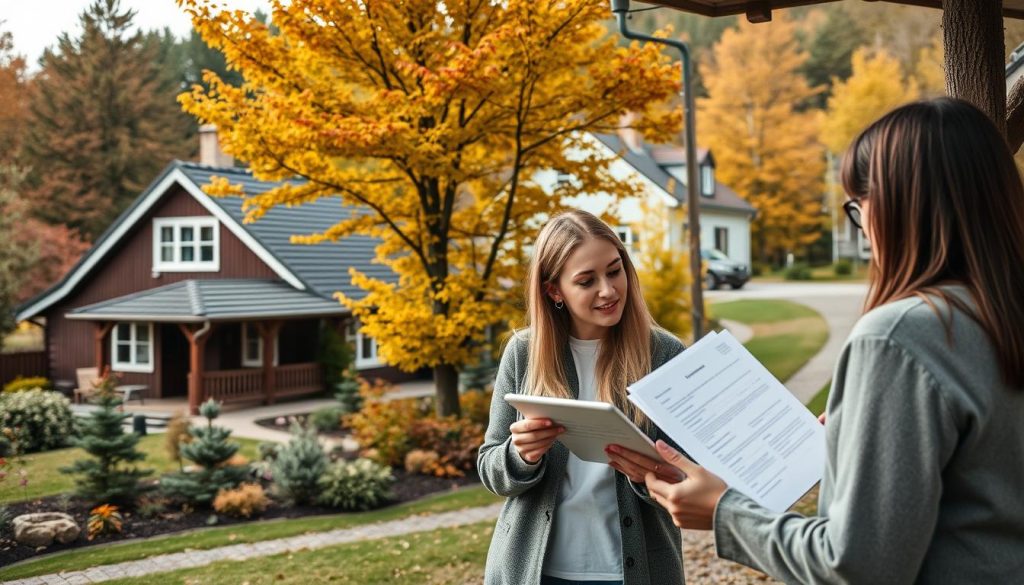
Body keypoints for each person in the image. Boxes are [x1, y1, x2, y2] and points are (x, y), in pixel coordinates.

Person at [641, 98, 1024, 583]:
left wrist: (723, 510)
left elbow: (858, 566)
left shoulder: (901, 336)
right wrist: (858, 438)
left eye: (857, 207)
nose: (862, 227)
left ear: (894, 206)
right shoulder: (999, 313)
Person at [477, 209, 687, 585]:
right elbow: (490, 469)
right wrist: (521, 456)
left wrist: (647, 476)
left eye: (615, 270)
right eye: (587, 281)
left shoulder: (665, 355)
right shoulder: (524, 353)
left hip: (638, 572)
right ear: (554, 290)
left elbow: (687, 480)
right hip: (534, 571)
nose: (608, 290)